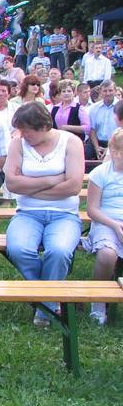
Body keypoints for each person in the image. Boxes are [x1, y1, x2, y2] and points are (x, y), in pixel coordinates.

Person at [4, 102, 84, 327]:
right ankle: (50, 296)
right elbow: (12, 184)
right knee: (18, 249)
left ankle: (44, 309)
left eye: (27, 130)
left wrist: (29, 186)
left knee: (59, 251)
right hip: (27, 213)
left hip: (64, 214)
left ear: (43, 126)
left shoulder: (71, 142)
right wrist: (53, 179)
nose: (22, 135)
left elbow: (73, 186)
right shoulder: (17, 145)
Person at [85, 128, 123, 326]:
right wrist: (115, 226)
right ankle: (98, 301)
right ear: (115, 152)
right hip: (106, 222)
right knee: (107, 254)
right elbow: (92, 210)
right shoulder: (100, 174)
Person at [88, 80, 118, 160]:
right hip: (97, 142)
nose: (108, 93)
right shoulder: (94, 108)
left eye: (110, 90)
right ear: (101, 92)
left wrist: (109, 149)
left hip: (117, 142)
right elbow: (92, 130)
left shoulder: (120, 107)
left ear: (115, 91)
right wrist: (97, 148)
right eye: (105, 91)